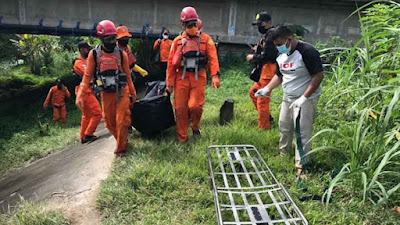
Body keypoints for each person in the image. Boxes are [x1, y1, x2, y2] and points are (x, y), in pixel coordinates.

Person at [255, 25, 324, 176]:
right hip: (288, 98)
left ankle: (302, 165)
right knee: (284, 126)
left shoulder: (307, 52)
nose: (278, 48)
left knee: (302, 131)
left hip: (306, 98)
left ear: (290, 39)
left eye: (280, 44)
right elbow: (279, 76)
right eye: (276, 45)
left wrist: (304, 98)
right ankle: (283, 154)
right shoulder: (281, 56)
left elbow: (318, 76)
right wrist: (267, 89)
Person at [76, 20, 136, 157]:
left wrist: (132, 94)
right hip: (106, 93)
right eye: (108, 39)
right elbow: (87, 76)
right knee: (109, 123)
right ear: (101, 38)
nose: (112, 42)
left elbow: (128, 76)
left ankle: (121, 150)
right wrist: (80, 94)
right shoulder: (94, 55)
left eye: (114, 38)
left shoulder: (122, 55)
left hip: (121, 92)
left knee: (122, 120)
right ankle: (122, 140)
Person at [166, 6, 221, 143]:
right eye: (189, 24)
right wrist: (169, 85)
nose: (192, 26)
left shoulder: (206, 40)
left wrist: (215, 75)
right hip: (181, 77)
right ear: (183, 25)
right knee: (180, 108)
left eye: (193, 24)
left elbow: (213, 58)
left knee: (195, 106)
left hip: (198, 76)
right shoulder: (177, 41)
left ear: (197, 23)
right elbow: (170, 65)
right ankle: (182, 138)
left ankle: (195, 127)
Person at [246, 12, 278, 130]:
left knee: (262, 100)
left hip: (269, 71)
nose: (259, 26)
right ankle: (267, 117)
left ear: (268, 23)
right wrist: (257, 49)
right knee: (253, 92)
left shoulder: (271, 35)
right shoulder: (268, 35)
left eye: (261, 24)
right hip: (264, 72)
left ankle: (263, 128)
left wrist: (253, 57)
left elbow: (269, 56)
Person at [73, 41, 102, 144]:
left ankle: (83, 136)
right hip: (84, 91)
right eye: (87, 49)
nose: (89, 50)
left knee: (87, 115)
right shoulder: (78, 62)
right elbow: (87, 73)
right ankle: (88, 134)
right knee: (98, 113)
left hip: (84, 90)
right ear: (81, 49)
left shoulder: (84, 61)